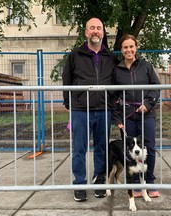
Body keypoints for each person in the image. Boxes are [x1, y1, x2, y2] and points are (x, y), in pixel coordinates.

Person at [62, 17, 117, 202]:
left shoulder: (110, 57)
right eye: (92, 28)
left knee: (101, 148)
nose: (95, 31)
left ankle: (99, 181)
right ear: (86, 32)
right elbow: (66, 79)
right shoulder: (75, 55)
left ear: (103, 32)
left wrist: (112, 102)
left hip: (104, 110)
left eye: (99, 28)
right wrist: (69, 103)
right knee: (79, 149)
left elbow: (115, 81)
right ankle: (79, 184)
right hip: (80, 110)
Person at [112, 34, 160, 198]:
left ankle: (149, 181)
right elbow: (113, 96)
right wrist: (117, 118)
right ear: (121, 50)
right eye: (125, 47)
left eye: (131, 46)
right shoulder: (117, 70)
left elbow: (156, 87)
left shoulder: (146, 66)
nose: (128, 50)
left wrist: (148, 103)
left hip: (146, 115)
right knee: (130, 151)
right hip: (127, 116)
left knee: (149, 149)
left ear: (136, 48)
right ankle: (134, 185)